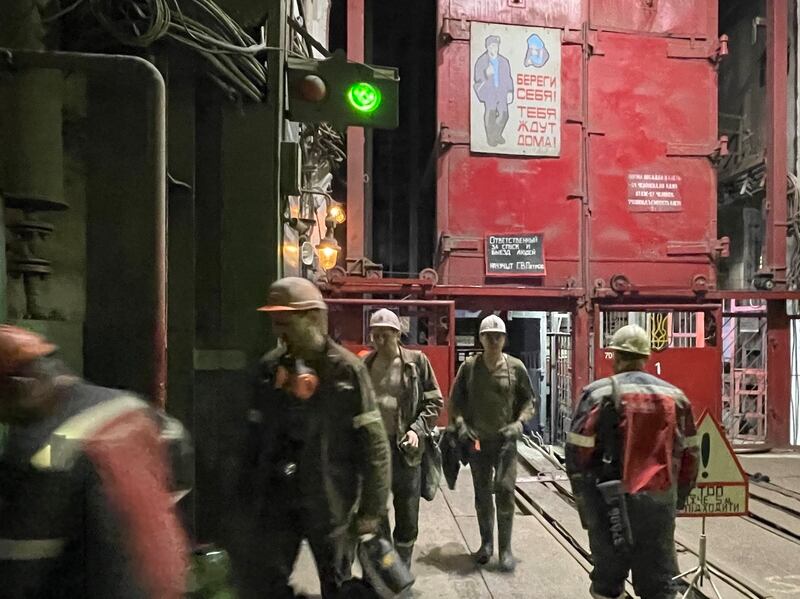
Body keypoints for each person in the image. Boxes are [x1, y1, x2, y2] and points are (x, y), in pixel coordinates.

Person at [0, 325, 189, 598]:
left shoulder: (52, 449)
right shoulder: (132, 407)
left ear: (20, 385)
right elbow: (179, 458)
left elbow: (21, 562)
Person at [231, 277, 391, 599]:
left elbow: (374, 445)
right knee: (268, 583)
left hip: (331, 504)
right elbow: (253, 438)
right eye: (276, 324)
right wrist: (246, 497)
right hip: (279, 503)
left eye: (287, 323)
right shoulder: (269, 369)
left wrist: (371, 511)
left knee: (337, 583)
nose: (280, 332)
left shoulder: (347, 371)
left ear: (314, 319)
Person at [565, 324, 699, 599]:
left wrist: (583, 499)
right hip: (658, 503)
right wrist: (676, 499)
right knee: (659, 584)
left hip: (610, 502)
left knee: (608, 582)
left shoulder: (598, 393)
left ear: (616, 356)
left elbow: (578, 453)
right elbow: (690, 455)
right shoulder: (675, 397)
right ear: (645, 357)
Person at [449, 314, 535, 572]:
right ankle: (486, 545)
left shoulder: (516, 367)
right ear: (481, 339)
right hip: (478, 443)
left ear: (504, 339)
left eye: (498, 336)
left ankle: (505, 550)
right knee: (483, 494)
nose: (493, 340)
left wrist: (519, 423)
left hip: (505, 443)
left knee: (505, 491)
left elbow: (529, 401)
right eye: (488, 336)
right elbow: (454, 401)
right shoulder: (469, 368)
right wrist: (462, 424)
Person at [362, 308, 443, 568]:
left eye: (386, 335)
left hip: (406, 450)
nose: (380, 340)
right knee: (375, 509)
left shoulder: (416, 363)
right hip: (375, 450)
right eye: (375, 335)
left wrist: (416, 429)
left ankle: (403, 570)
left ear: (398, 334)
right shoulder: (366, 365)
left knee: (407, 513)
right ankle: (387, 570)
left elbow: (435, 401)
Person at [473, 35, 514, 147]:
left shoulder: (504, 61)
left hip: (502, 91)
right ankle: (491, 138)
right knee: (490, 114)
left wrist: (510, 91)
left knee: (504, 115)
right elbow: (477, 77)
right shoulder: (481, 61)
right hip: (489, 91)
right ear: (487, 47)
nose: (493, 48)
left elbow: (508, 77)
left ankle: (496, 134)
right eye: (491, 46)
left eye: (495, 46)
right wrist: (486, 73)